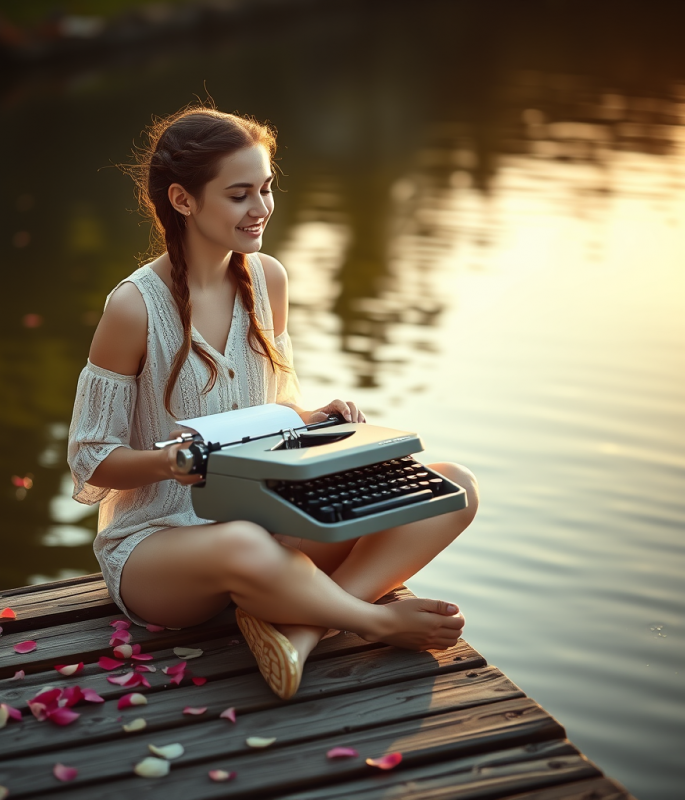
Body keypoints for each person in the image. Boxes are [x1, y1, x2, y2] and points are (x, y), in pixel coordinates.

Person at [68, 107, 479, 700]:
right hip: (160, 551)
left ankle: (302, 634)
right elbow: (89, 460)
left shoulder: (269, 281)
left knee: (450, 486)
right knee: (246, 543)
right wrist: (172, 462)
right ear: (183, 200)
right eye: (239, 195)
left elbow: (273, 403)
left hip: (266, 523)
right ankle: (375, 620)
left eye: (264, 189)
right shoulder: (134, 308)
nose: (261, 209)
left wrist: (310, 419)